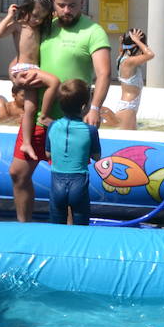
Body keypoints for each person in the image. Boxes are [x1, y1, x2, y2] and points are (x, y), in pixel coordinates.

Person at [8, 0, 111, 221]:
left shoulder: (93, 31)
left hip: (70, 122)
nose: (66, 10)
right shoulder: (43, 25)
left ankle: (67, 239)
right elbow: (21, 59)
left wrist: (95, 107)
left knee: (67, 187)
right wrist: (15, 77)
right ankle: (25, 228)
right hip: (39, 117)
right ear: (54, 1)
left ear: (82, 2)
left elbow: (105, 73)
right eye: (62, 4)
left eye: (73, 5)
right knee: (17, 173)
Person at [0, 0, 61, 160]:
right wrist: (9, 16)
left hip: (32, 68)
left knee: (30, 109)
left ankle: (27, 143)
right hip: (23, 68)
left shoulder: (39, 28)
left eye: (42, 17)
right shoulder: (19, 26)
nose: (37, 20)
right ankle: (45, 116)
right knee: (54, 82)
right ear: (27, 9)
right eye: (35, 15)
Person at [45, 79, 102, 225]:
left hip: (57, 182)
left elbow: (48, 154)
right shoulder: (91, 130)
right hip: (79, 183)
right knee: (81, 229)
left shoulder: (52, 126)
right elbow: (97, 157)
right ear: (84, 106)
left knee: (57, 227)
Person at [105, 28, 154, 130]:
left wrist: (122, 42)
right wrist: (137, 40)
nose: (146, 47)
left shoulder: (122, 57)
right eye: (144, 44)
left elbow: (122, 49)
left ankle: (105, 113)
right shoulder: (129, 62)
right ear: (136, 46)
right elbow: (150, 54)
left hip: (128, 106)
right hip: (128, 108)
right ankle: (103, 112)